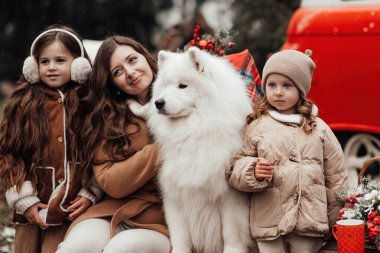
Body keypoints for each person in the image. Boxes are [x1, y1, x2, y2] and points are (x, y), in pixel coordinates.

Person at [56, 35, 170, 253]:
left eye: (132, 60)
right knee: (78, 247)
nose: (129, 72)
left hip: (161, 220)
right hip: (111, 210)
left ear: (146, 57)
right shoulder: (109, 117)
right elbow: (112, 182)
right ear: (112, 82)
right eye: (117, 71)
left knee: (121, 249)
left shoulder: (183, 98)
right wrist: (161, 148)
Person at [226, 49, 347, 253]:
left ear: (301, 90)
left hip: (308, 222)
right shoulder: (256, 126)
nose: (278, 92)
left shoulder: (319, 128)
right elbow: (235, 165)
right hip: (268, 221)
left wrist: (334, 218)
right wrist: (252, 170)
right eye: (272, 85)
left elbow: (337, 175)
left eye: (287, 85)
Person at [0, 25, 98, 253]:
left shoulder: (89, 103)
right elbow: (8, 153)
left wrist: (90, 192)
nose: (51, 68)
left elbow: (99, 152)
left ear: (79, 65)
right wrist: (25, 199)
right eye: (44, 62)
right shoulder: (24, 104)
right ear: (33, 67)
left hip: (72, 207)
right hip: (32, 203)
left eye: (60, 60)